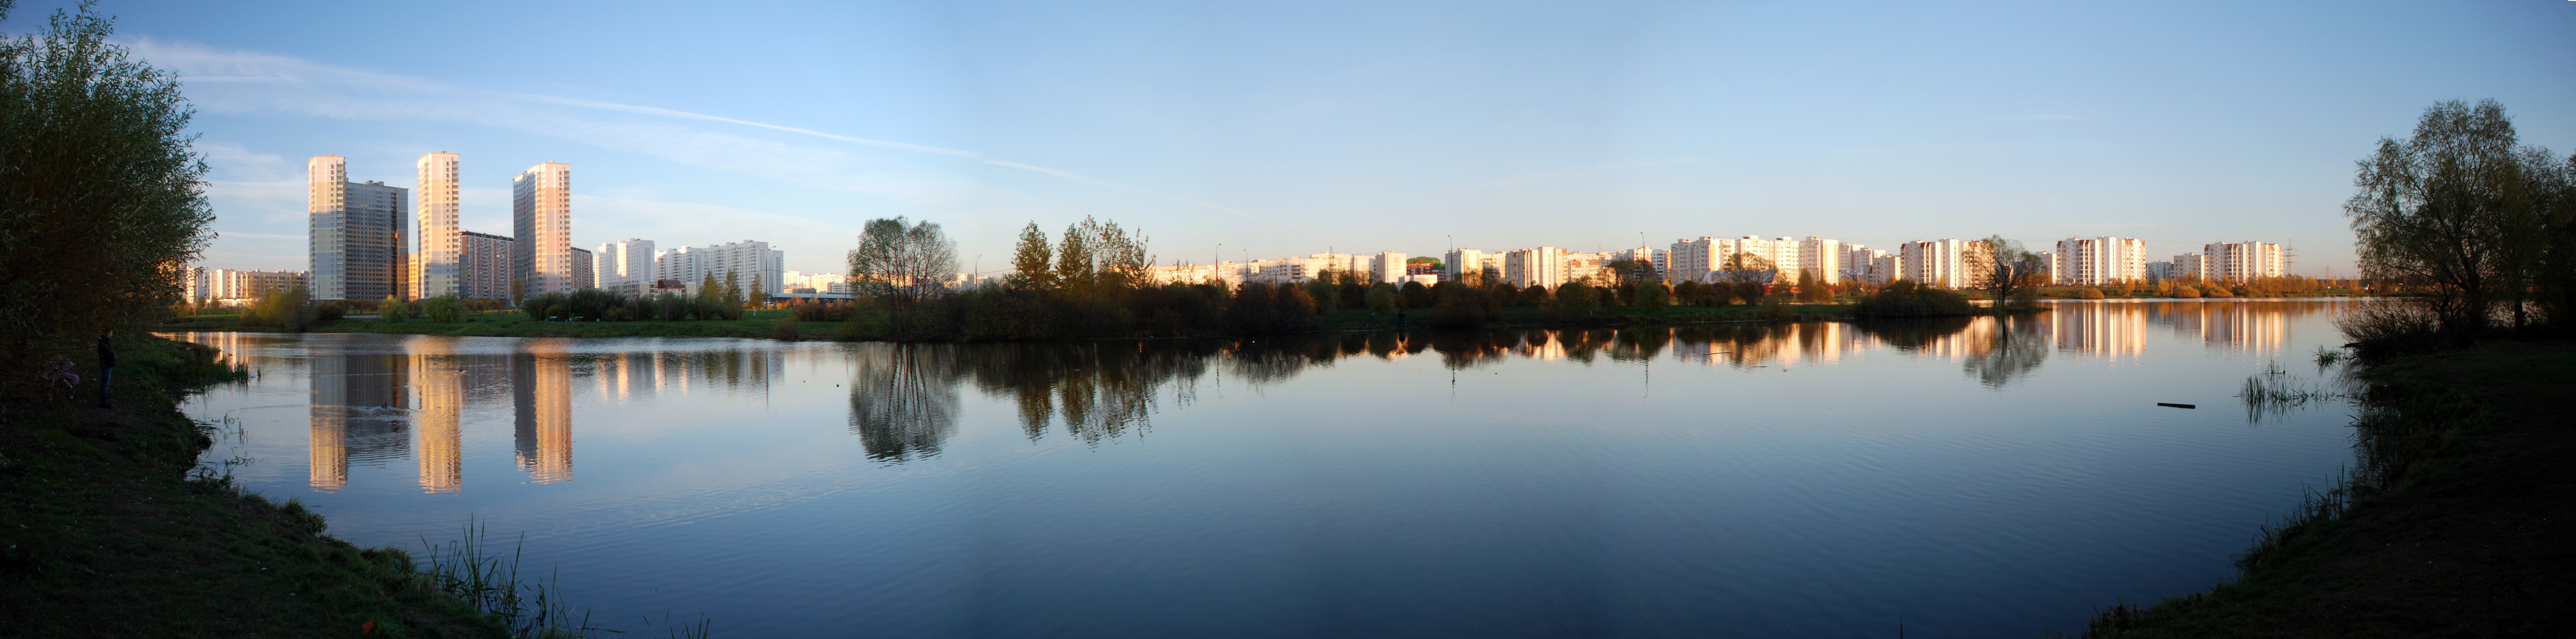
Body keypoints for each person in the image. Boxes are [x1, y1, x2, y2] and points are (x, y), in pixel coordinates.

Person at [96, 330, 114, 408]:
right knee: (105, 385)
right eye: (111, 334)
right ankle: (104, 402)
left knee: (105, 384)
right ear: (107, 334)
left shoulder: (102, 342)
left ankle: (104, 401)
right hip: (106, 365)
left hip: (104, 365)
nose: (112, 335)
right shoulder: (105, 344)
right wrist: (112, 364)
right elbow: (107, 356)